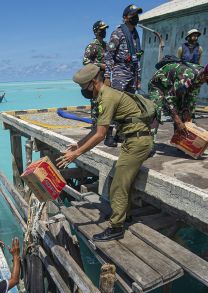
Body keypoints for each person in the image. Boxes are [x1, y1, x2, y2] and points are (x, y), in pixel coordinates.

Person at [56, 63, 158, 241]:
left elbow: (101, 135)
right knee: (121, 181)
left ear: (94, 81)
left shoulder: (107, 98)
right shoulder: (104, 95)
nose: (82, 90)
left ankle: (116, 227)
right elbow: (96, 128)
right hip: (132, 140)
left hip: (138, 142)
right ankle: (124, 215)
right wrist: (77, 145)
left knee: (118, 185)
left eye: (83, 86)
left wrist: (77, 154)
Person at [148, 59, 208, 134]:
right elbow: (170, 99)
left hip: (175, 87)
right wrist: (177, 120)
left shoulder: (201, 77)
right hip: (159, 86)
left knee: (186, 116)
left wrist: (187, 112)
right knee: (156, 112)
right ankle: (148, 143)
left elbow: (190, 97)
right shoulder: (187, 75)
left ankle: (181, 143)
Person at [103, 4, 144, 147]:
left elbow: (137, 58)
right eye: (133, 15)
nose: (136, 18)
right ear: (126, 18)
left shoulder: (135, 35)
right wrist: (108, 76)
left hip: (132, 73)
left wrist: (138, 79)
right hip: (120, 73)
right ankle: (108, 136)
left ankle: (120, 134)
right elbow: (108, 55)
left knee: (129, 106)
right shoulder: (118, 33)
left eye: (137, 15)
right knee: (115, 105)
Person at [83, 20, 109, 126]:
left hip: (106, 78)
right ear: (96, 32)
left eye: (104, 30)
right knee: (96, 101)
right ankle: (95, 125)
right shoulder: (92, 46)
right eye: (101, 30)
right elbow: (86, 61)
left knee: (106, 101)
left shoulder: (106, 46)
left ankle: (104, 126)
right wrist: (100, 65)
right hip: (96, 78)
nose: (104, 32)